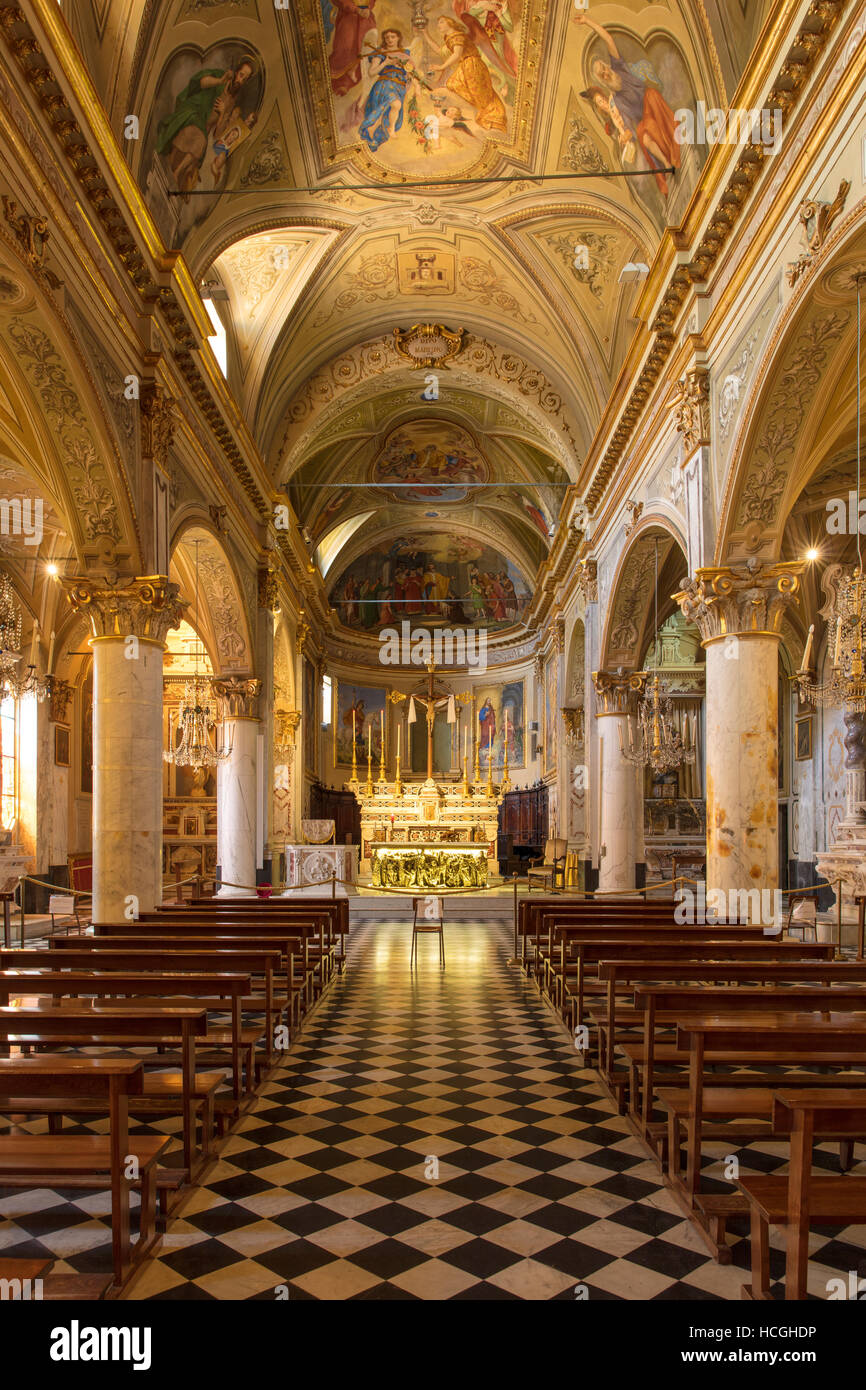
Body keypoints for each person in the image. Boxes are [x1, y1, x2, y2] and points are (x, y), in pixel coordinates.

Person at [574, 13, 680, 195]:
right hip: (644, 118)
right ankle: (666, 163)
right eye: (602, 74)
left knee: (651, 95)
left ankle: (674, 143)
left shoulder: (619, 67)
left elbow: (608, 38)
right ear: (602, 80)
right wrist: (626, 137)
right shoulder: (617, 101)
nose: (606, 73)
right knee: (643, 134)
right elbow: (630, 126)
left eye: (604, 68)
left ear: (608, 66)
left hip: (651, 101)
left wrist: (587, 21)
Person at [157, 60, 255, 195]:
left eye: (244, 79)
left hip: (204, 129)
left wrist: (222, 114)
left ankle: (176, 172)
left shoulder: (231, 103)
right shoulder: (222, 76)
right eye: (241, 75)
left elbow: (217, 134)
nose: (240, 80)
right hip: (193, 112)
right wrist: (220, 80)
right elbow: (200, 82)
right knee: (198, 138)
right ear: (236, 72)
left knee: (200, 142)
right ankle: (175, 170)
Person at [429, 17, 507, 133]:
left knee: (481, 95)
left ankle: (494, 117)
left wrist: (441, 67)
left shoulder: (457, 36)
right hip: (466, 65)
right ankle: (484, 111)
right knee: (453, 84)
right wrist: (425, 33)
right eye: (438, 22)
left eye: (441, 22)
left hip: (473, 65)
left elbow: (457, 55)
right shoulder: (450, 38)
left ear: (450, 23)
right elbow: (441, 51)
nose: (438, 25)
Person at [359, 30, 421, 152]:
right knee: (396, 104)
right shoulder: (380, 53)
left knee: (391, 108)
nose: (390, 39)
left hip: (399, 86)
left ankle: (373, 130)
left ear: (398, 38)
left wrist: (417, 87)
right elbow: (371, 72)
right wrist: (386, 63)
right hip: (385, 84)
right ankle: (390, 128)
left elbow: (411, 73)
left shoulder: (405, 54)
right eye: (387, 37)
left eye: (393, 37)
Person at [328, 0, 377, 97]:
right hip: (349, 16)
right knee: (345, 47)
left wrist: (368, 8)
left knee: (364, 49)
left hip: (366, 20)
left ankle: (346, 82)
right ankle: (333, 78)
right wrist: (356, 9)